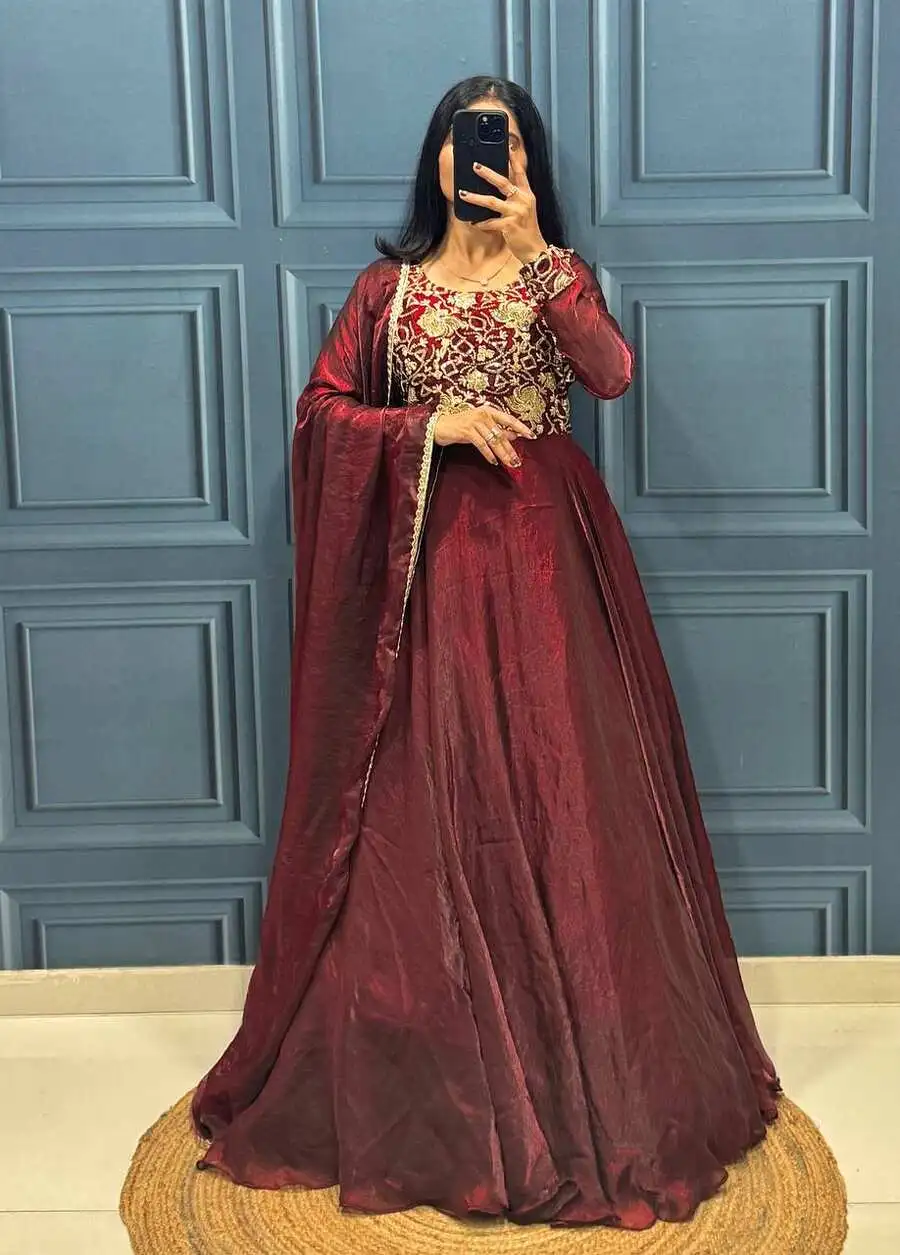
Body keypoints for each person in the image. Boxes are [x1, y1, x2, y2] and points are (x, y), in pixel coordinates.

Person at [190, 76, 781, 1230]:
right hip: (422, 582)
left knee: (564, 802)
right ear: (437, 158)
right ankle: (439, 1089)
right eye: (468, 143)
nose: (483, 161)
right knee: (425, 814)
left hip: (551, 573)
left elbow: (609, 374)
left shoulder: (552, 274)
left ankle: (586, 1079)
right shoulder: (388, 290)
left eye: (503, 145)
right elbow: (320, 412)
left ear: (525, 162)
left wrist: (540, 253)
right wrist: (430, 424)